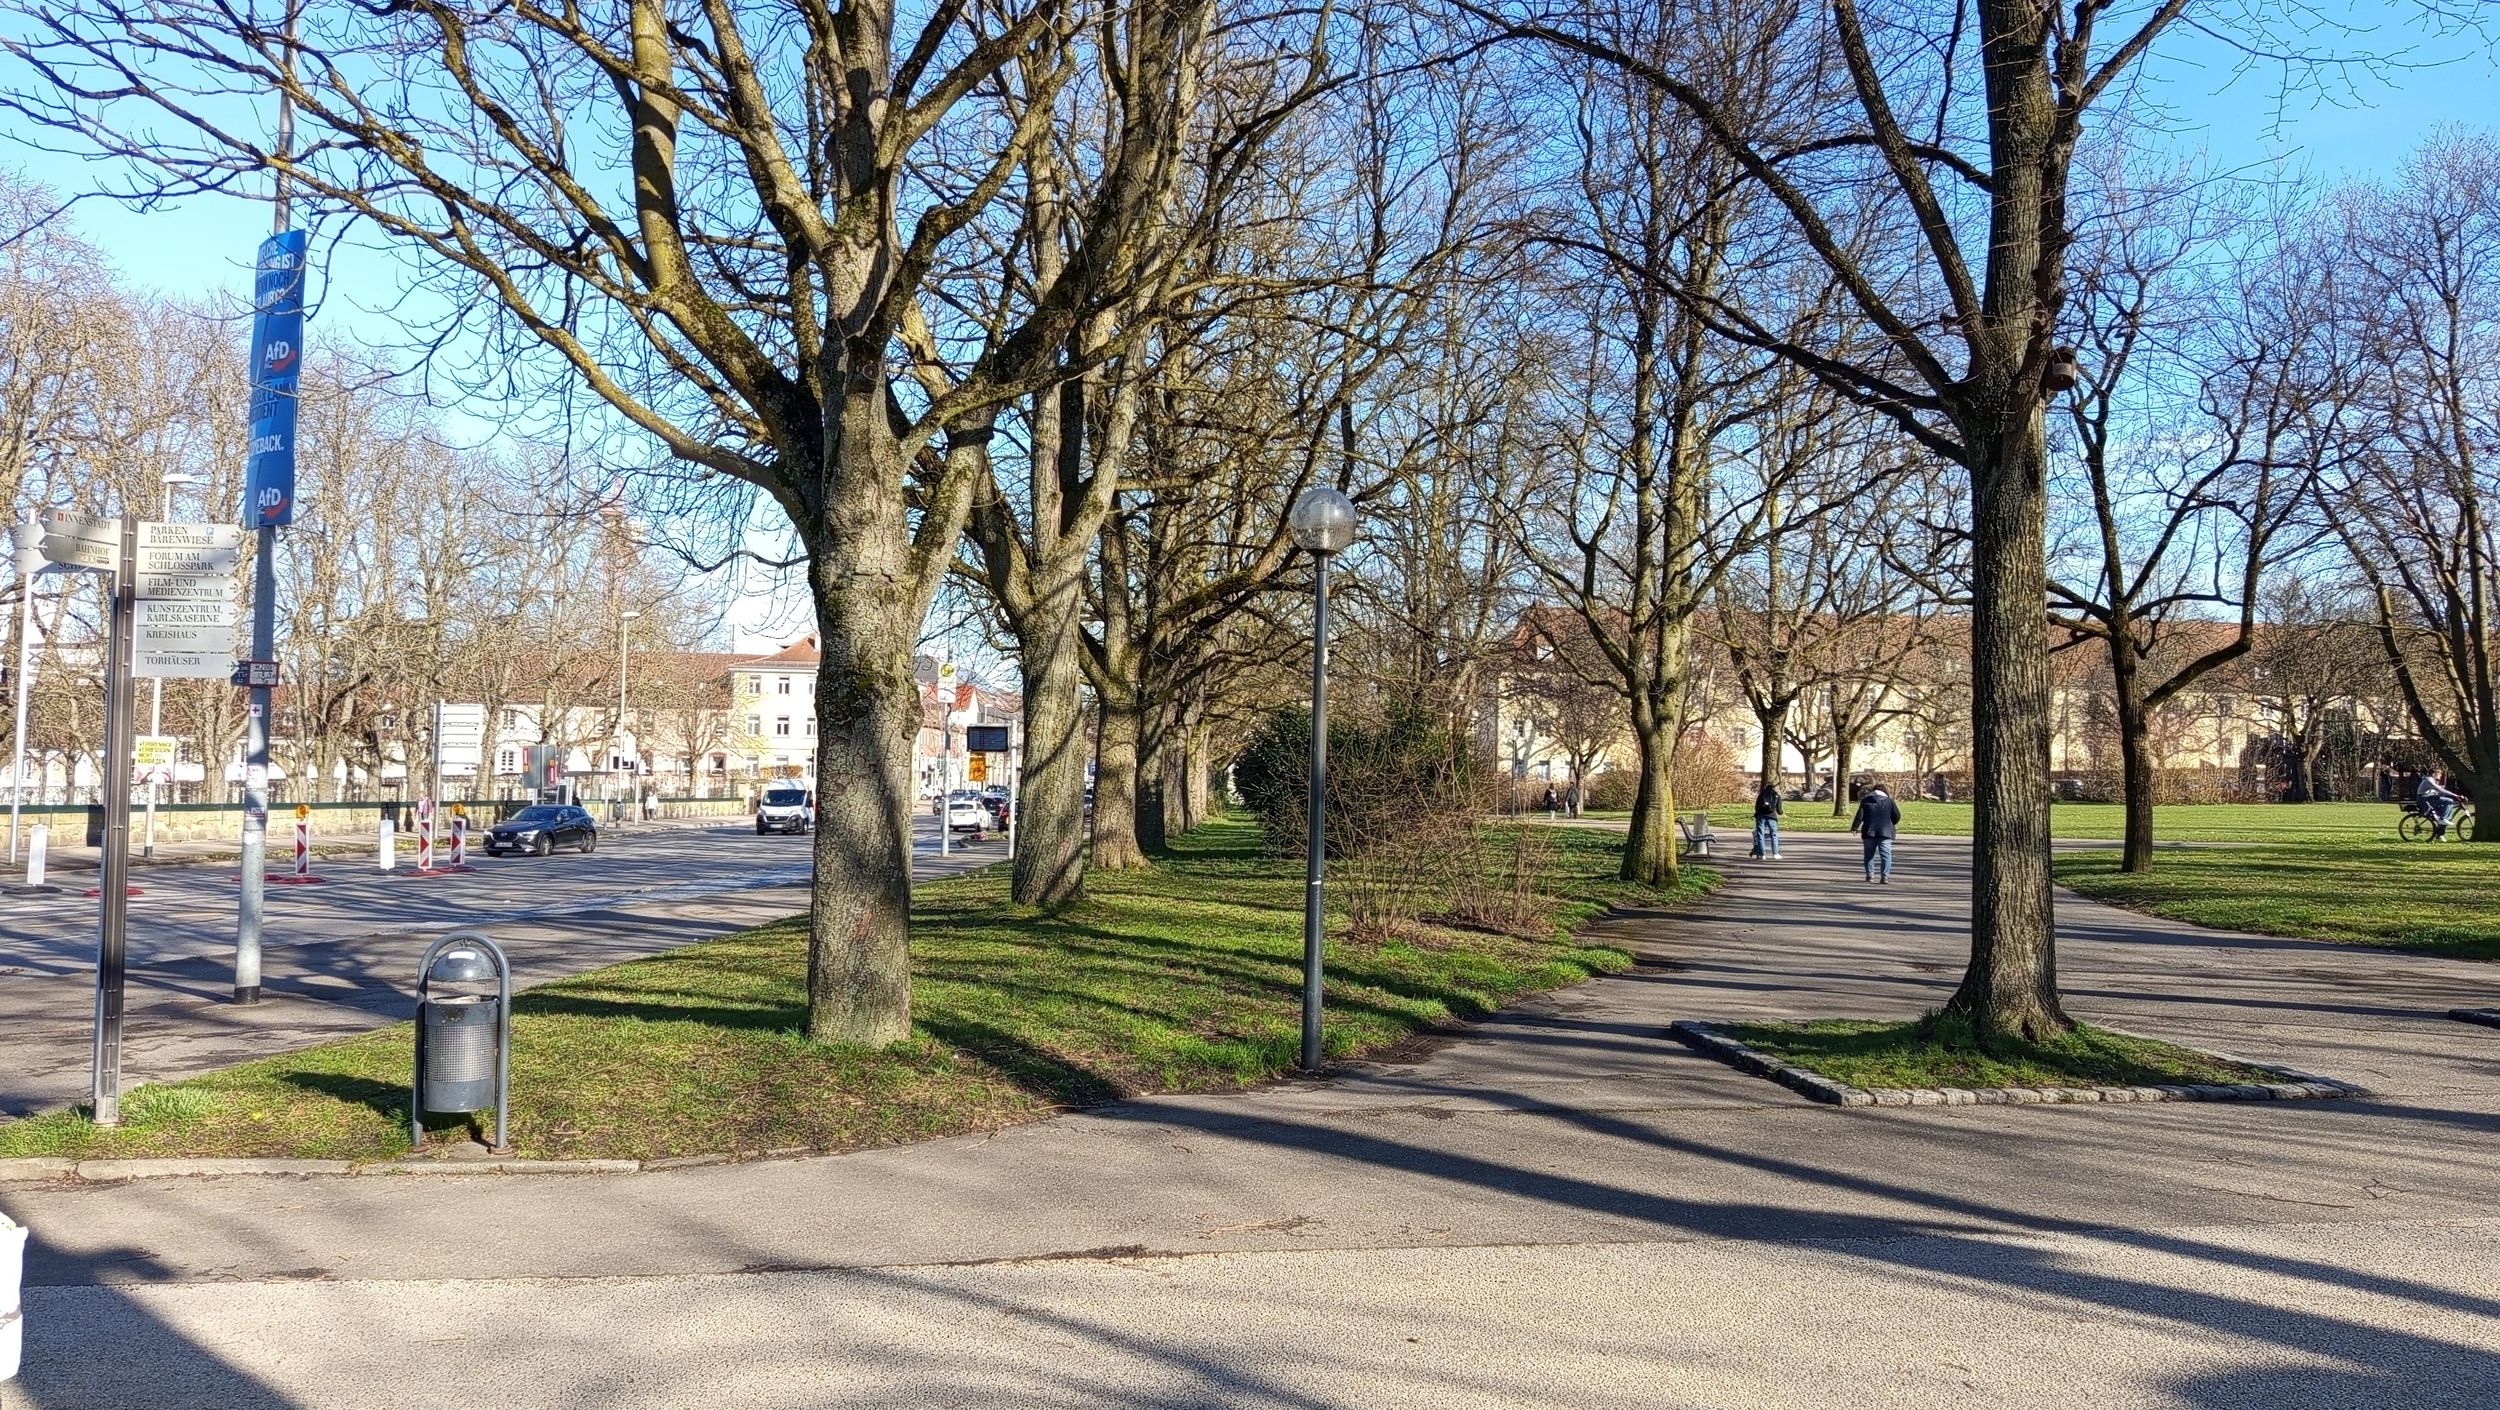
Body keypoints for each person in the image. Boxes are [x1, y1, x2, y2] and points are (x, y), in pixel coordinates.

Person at [1851, 782, 1901, 883]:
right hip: (1885, 832)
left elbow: (1859, 816)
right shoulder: (1890, 801)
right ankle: (1884, 876)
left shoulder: (1865, 801)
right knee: (1886, 855)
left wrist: (1855, 827)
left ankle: (1870, 875)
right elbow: (1897, 816)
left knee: (1869, 855)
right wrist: (1891, 823)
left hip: (1869, 831)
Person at [2416, 770, 2465, 839]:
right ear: (2433, 774)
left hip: (2430, 798)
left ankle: (2440, 834)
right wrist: (2455, 795)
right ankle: (2442, 820)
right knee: (2449, 801)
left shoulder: (2432, 780)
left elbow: (2437, 790)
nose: (2440, 775)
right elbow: (2439, 790)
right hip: (2424, 800)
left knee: (2446, 811)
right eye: (2439, 774)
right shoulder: (2428, 780)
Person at [1751, 778, 1784, 860]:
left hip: (1761, 816)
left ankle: (1762, 854)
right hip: (1772, 817)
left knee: (1760, 835)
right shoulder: (1776, 796)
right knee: (1774, 835)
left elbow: (1757, 807)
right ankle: (1775, 853)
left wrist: (1758, 813)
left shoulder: (1761, 795)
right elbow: (1779, 811)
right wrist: (1781, 812)